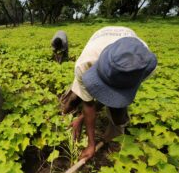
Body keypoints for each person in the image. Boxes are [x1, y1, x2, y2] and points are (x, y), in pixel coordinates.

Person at [61, 26, 157, 161]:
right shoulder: (85, 63)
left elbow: (110, 97)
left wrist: (82, 118)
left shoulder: (143, 67)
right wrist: (90, 144)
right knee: (73, 99)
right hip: (98, 44)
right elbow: (88, 104)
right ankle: (63, 116)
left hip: (128, 57)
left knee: (118, 113)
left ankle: (114, 138)